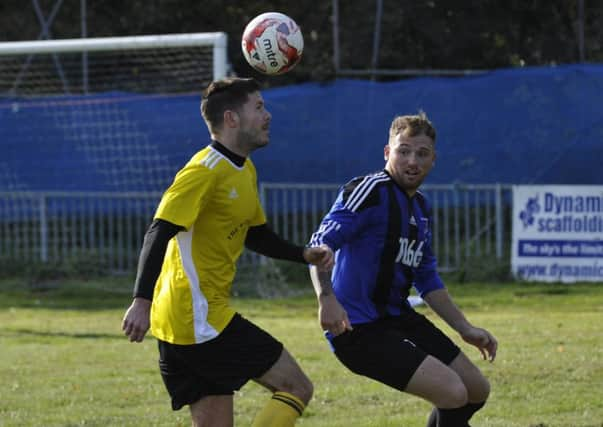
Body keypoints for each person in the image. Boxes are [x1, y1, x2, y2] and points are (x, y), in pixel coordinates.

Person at [121, 77, 334, 427]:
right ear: (232, 119)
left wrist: (302, 254)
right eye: (259, 107)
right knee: (296, 387)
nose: (268, 115)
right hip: (198, 319)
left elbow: (255, 234)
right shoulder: (203, 171)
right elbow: (159, 230)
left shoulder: (244, 168)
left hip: (188, 320)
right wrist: (140, 300)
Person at [308, 112, 497, 427]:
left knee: (477, 390)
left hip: (398, 318)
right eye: (403, 150)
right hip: (357, 329)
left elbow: (427, 279)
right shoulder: (370, 190)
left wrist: (465, 328)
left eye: (422, 154)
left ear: (433, 160)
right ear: (387, 153)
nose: (412, 161)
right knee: (453, 392)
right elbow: (320, 244)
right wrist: (326, 296)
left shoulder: (420, 206)